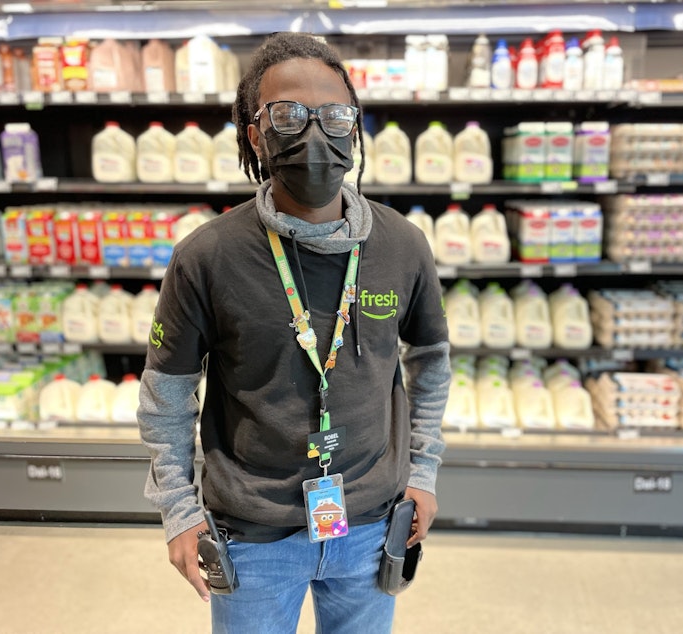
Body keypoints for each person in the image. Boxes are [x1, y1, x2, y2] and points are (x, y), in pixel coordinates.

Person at [137, 32, 451, 634]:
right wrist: (178, 512)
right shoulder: (206, 257)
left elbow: (431, 362)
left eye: (334, 115)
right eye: (288, 115)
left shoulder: (403, 245)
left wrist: (423, 473)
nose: (315, 134)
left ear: (355, 128)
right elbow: (166, 397)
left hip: (370, 524)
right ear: (255, 133)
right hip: (252, 536)